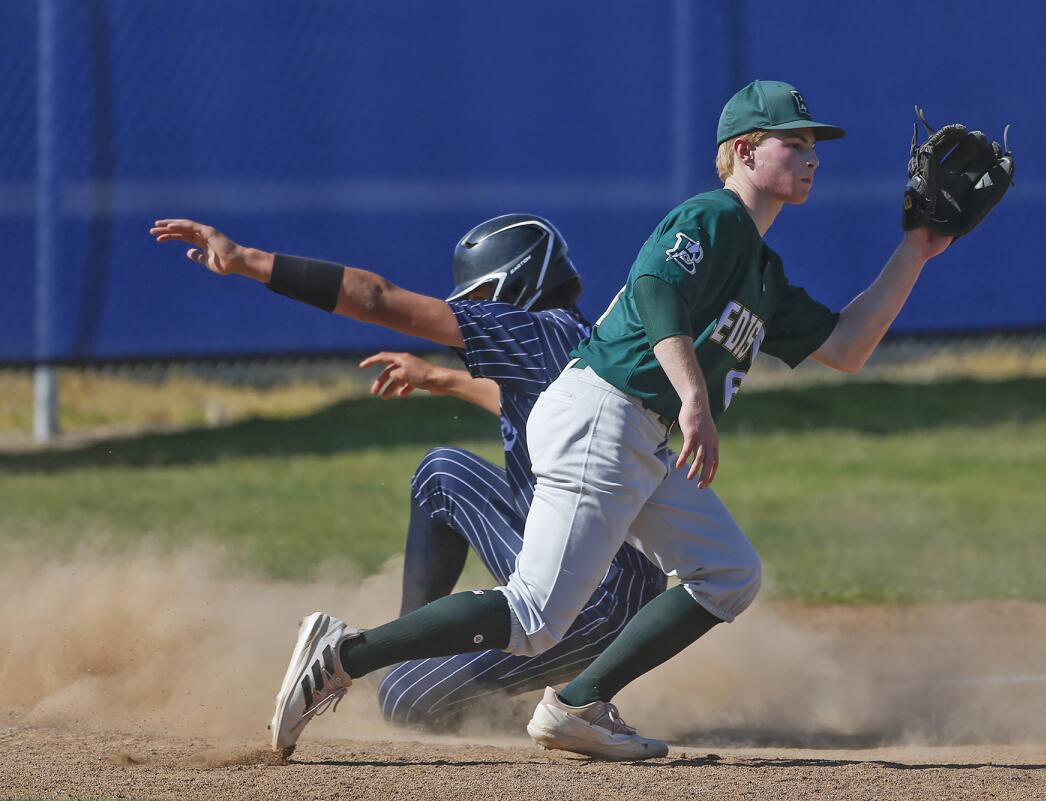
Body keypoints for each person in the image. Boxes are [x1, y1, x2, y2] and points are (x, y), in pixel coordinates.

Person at [261, 79, 959, 761]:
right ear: (745, 151)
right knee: (534, 617)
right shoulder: (712, 217)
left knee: (728, 572)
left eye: (815, 145)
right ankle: (343, 653)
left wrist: (918, 247)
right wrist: (693, 395)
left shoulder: (763, 270)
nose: (813, 157)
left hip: (640, 432)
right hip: (607, 410)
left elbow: (846, 344)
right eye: (795, 142)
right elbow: (656, 285)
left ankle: (577, 703)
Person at [148, 213, 666, 731]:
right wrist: (442, 379)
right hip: (602, 569)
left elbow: (376, 297)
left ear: (522, 281)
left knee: (403, 703)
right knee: (442, 472)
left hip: (600, 599)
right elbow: (538, 407)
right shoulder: (568, 338)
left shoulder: (532, 333)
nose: (470, 309)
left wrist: (247, 261)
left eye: (481, 294)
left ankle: (423, 679)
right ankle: (412, 649)